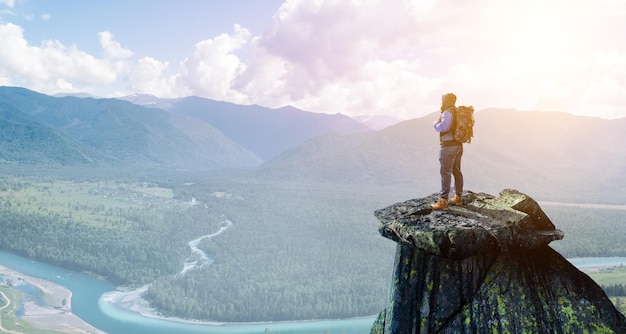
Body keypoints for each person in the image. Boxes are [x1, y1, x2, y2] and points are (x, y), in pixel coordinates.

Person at [431, 93, 463, 210]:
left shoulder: (448, 112)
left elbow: (443, 127)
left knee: (445, 172)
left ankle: (443, 201)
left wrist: (435, 123)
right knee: (457, 171)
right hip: (458, 146)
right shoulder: (458, 111)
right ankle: (458, 197)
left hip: (448, 147)